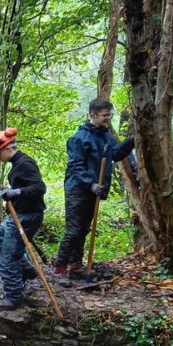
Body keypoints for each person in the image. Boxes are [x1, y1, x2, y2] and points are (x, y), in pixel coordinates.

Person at [54, 98, 134, 279]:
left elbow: (116, 154)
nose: (108, 119)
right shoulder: (78, 138)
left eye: (110, 115)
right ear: (93, 115)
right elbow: (76, 166)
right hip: (78, 189)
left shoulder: (106, 135)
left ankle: (76, 265)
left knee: (84, 229)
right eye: (105, 116)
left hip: (94, 190)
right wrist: (91, 183)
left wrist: (131, 141)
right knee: (73, 229)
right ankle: (60, 267)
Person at [0, 127, 47, 311]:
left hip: (28, 216)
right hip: (19, 212)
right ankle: (25, 270)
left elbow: (39, 188)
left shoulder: (24, 163)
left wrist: (17, 192)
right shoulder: (17, 164)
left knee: (8, 257)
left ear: (7, 149)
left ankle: (13, 296)